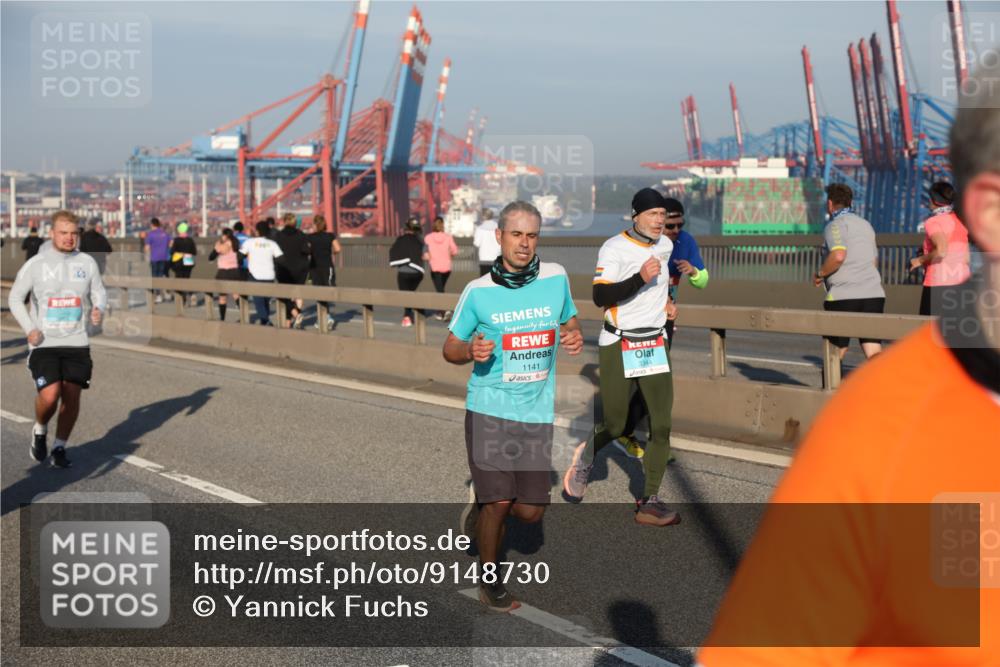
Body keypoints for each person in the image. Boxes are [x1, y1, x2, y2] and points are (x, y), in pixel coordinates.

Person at [696, 62, 1000, 667]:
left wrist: (820, 272)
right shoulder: (884, 439)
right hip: (884, 302)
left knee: (840, 347)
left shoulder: (842, 224)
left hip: (854, 295)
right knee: (863, 349)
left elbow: (835, 256)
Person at [443, 200, 583, 611]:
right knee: (500, 503)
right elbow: (450, 348)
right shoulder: (479, 292)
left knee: (529, 513)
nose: (525, 244)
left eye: (532, 235)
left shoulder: (556, 278)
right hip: (489, 407)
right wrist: (470, 348)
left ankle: (478, 511)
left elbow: (569, 323)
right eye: (517, 235)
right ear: (499, 237)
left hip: (536, 414)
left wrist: (573, 335)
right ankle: (491, 583)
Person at [562, 187, 680, 527]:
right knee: (615, 423)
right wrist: (639, 278)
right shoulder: (614, 248)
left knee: (661, 424)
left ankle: (650, 500)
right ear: (636, 216)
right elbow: (601, 295)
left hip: (654, 343)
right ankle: (585, 457)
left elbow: (663, 283)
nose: (660, 221)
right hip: (619, 343)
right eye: (653, 214)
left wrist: (668, 302)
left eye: (663, 214)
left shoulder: (666, 245)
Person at [9, 211, 106, 469]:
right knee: (50, 395)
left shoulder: (87, 263)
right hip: (44, 342)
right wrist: (29, 328)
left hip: (77, 341)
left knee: (72, 395)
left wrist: (99, 308)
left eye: (74, 233)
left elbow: (99, 291)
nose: (69, 238)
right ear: (52, 233)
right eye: (63, 233)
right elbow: (15, 298)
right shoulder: (37, 264)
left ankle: (59, 446)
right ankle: (40, 429)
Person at [617, 196, 709, 459]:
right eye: (670, 226)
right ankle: (623, 429)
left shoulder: (685, 242)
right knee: (645, 380)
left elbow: (703, 281)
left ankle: (648, 438)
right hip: (635, 320)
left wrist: (693, 272)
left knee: (656, 380)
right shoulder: (637, 244)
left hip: (665, 322)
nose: (675, 230)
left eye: (680, 225)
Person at [813, 183, 885, 360]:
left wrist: (820, 274)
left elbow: (838, 255)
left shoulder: (835, 226)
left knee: (836, 351)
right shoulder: (866, 225)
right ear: (850, 202)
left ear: (830, 204)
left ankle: (832, 388)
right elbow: (874, 261)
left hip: (843, 295)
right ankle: (884, 387)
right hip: (873, 295)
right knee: (873, 349)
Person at [910, 180, 971, 316]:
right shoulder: (960, 221)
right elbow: (966, 258)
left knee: (928, 331)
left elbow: (942, 250)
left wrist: (919, 260)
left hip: (938, 285)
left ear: (934, 200)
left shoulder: (933, 221)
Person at [274, 213, 311, 329]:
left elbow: (275, 252)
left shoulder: (278, 236)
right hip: (300, 269)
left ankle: (295, 316)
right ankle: (292, 320)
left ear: (284, 222)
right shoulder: (301, 235)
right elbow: (307, 250)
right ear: (295, 222)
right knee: (297, 294)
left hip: (284, 269)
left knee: (284, 295)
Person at [389, 217, 426, 327]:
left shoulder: (400, 240)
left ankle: (407, 317)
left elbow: (393, 251)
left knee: (405, 295)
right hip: (418, 273)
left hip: (403, 272)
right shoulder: (420, 241)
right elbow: (425, 255)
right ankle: (415, 309)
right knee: (411, 293)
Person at [423, 215, 459, 320]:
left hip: (434, 267)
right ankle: (442, 311)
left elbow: (425, 253)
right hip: (446, 267)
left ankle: (445, 310)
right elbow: (455, 250)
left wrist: (429, 257)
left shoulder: (428, 238)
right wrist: (449, 255)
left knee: (439, 290)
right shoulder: (448, 237)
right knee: (441, 289)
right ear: (443, 225)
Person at [308, 214, 341, 328]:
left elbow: (307, 250)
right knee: (328, 291)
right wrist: (331, 253)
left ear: (315, 224)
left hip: (314, 267)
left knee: (318, 292)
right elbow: (338, 249)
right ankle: (326, 317)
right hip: (327, 266)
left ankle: (324, 317)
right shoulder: (330, 236)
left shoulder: (310, 237)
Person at [210, 228, 242, 321]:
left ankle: (222, 318)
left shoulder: (222, 244)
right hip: (235, 271)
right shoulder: (235, 242)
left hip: (223, 272)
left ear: (225, 235)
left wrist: (217, 245)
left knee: (222, 297)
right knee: (236, 295)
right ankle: (243, 315)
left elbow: (211, 256)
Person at [169, 222, 198, 305]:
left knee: (179, 280)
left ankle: (182, 299)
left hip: (178, 262)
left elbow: (172, 251)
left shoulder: (176, 240)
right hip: (188, 261)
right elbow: (194, 252)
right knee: (187, 278)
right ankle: (191, 294)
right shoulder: (190, 240)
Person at [144, 218, 171, 303]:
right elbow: (171, 243)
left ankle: (158, 295)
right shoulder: (164, 233)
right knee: (163, 275)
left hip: (154, 258)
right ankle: (166, 293)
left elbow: (147, 248)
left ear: (152, 225)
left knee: (155, 277)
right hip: (164, 257)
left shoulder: (151, 234)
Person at [472, 209, 501, 276]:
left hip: (484, 258)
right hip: (496, 258)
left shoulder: (479, 229)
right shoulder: (498, 228)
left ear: (483, 216)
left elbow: (476, 243)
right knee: (495, 279)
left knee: (484, 279)